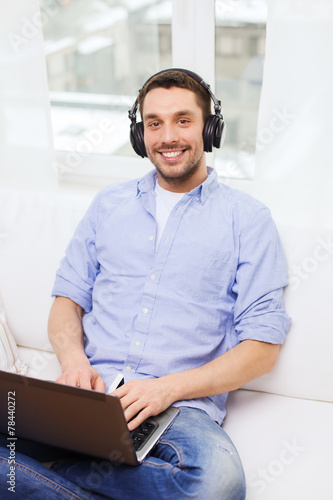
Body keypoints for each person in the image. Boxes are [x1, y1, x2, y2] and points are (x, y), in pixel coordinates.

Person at [0, 69, 290, 499]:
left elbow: (262, 349)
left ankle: (52, 470)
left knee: (216, 486)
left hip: (179, 408)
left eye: (183, 120)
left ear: (210, 128)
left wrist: (167, 388)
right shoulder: (108, 204)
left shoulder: (248, 219)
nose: (167, 136)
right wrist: (74, 361)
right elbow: (67, 300)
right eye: (154, 123)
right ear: (141, 135)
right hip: (92, 394)